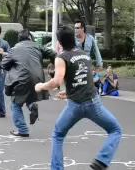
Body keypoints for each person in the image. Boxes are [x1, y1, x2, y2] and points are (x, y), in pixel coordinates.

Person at [35, 25, 122, 170]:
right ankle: (101, 160)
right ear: (73, 38)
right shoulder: (84, 55)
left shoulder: (61, 58)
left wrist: (41, 86)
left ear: (60, 42)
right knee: (115, 130)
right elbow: (84, 80)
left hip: (75, 106)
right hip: (93, 103)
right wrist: (68, 92)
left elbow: (57, 81)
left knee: (58, 134)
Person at [2, 29, 56, 137]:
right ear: (30, 37)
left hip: (21, 78)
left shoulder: (14, 49)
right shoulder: (37, 46)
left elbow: (4, 64)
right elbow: (53, 53)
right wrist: (55, 65)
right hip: (37, 78)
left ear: (19, 39)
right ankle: (31, 106)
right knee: (29, 95)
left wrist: (12, 66)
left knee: (15, 104)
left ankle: (22, 129)